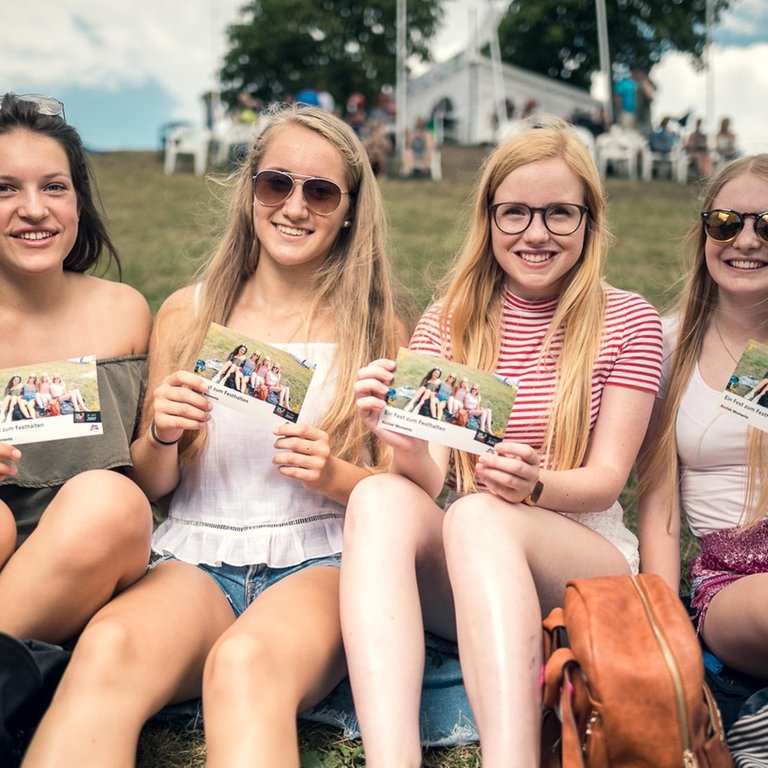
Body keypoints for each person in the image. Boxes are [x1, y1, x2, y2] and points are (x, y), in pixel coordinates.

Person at [22, 102, 404, 768]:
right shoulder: (185, 314)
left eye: (320, 191)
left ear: (349, 208)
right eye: (276, 183)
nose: (294, 206)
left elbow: (407, 501)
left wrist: (336, 473)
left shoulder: (381, 329)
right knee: (106, 650)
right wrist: (162, 436)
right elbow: (152, 485)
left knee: (246, 663)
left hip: (323, 559)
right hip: (195, 557)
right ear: (250, 191)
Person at [340, 115, 664, 767]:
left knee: (480, 512)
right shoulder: (450, 320)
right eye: (513, 212)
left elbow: (606, 478)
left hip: (585, 562)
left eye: (558, 214)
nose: (535, 233)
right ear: (488, 220)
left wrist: (537, 485)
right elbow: (427, 480)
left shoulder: (629, 319)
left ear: (589, 221)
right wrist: (399, 437)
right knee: (379, 498)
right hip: (474, 556)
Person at [0, 93, 152, 647]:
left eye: (53, 186)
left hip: (91, 556)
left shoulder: (124, 312)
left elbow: (153, 478)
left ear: (79, 204)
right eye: (5, 188)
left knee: (107, 499)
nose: (34, 209)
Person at [637, 155, 768, 684]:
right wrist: (663, 615)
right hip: (735, 580)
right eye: (726, 222)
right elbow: (659, 503)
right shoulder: (666, 344)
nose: (746, 240)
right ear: (703, 231)